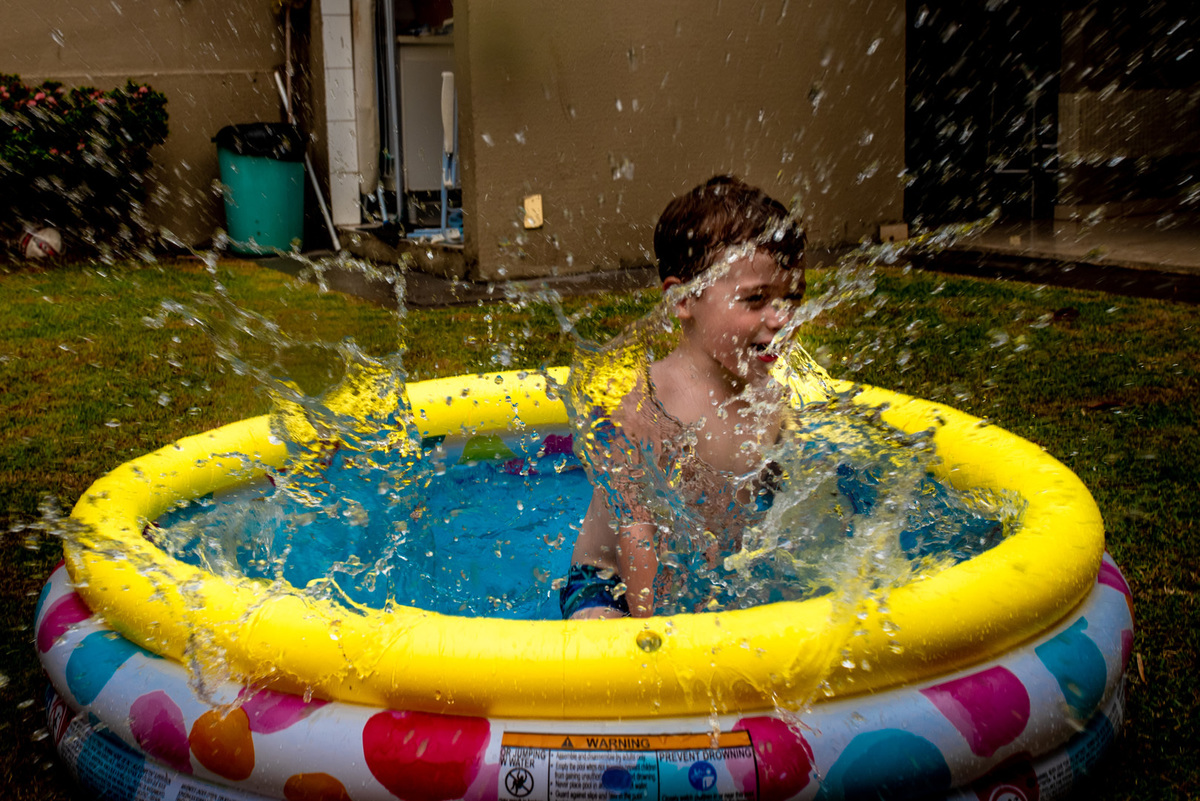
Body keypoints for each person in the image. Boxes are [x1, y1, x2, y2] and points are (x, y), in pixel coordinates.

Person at [561, 175, 807, 619]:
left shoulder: (775, 403)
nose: (780, 319)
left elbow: (799, 503)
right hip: (610, 581)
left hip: (710, 572)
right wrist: (660, 633)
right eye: (756, 300)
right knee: (599, 631)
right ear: (682, 298)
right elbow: (636, 534)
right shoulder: (645, 406)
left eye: (792, 299)